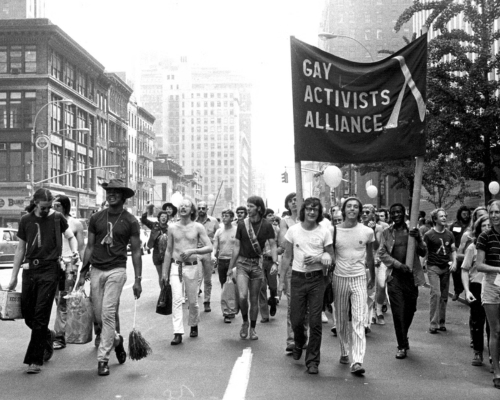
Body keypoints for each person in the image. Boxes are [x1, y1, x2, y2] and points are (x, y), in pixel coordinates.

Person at [7, 189, 79, 374]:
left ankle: (34, 360)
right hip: (30, 270)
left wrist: (74, 251)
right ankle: (48, 336)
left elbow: (71, 237)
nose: (47, 210)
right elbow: (20, 249)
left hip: (50, 270)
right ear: (35, 203)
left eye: (49, 207)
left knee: (41, 315)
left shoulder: (58, 218)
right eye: (44, 207)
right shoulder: (25, 220)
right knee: (28, 313)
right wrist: (13, 277)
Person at [76, 179, 142, 376]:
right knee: (98, 316)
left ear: (123, 196)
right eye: (109, 191)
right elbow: (89, 247)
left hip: (117, 270)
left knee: (107, 313)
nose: (111, 194)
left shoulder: (131, 221)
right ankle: (117, 340)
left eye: (115, 192)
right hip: (96, 269)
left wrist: (138, 279)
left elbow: (137, 251)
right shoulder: (96, 218)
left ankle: (103, 359)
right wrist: (82, 273)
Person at [280, 197, 333, 374]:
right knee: (296, 318)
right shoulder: (293, 230)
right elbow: (287, 256)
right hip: (297, 279)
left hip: (318, 279)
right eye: (309, 209)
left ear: (319, 213)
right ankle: (299, 341)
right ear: (304, 211)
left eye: (315, 210)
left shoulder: (324, 231)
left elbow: (331, 257)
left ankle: (312, 361)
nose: (311, 212)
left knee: (315, 321)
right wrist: (281, 281)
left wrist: (320, 257)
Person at [378, 203, 427, 359]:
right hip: (395, 277)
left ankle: (403, 335)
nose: (396, 215)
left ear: (404, 213)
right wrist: (398, 265)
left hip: (412, 278)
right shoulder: (386, 233)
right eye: (393, 213)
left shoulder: (412, 232)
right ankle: (401, 345)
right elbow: (382, 253)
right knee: (398, 313)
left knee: (410, 310)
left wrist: (418, 238)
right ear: (390, 216)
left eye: (399, 212)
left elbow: (423, 251)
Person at [333, 197, 375, 376]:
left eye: (356, 207)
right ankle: (344, 350)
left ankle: (357, 360)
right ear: (344, 210)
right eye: (349, 206)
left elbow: (371, 257)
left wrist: (371, 276)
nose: (352, 209)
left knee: (359, 319)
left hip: (359, 277)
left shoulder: (367, 231)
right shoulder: (333, 231)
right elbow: (330, 254)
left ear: (359, 211)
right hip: (339, 278)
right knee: (342, 319)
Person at [162, 199, 212, 345]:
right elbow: (168, 250)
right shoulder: (172, 227)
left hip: (192, 266)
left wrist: (193, 251)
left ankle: (193, 323)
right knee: (176, 300)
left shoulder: (198, 227)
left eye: (187, 206)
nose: (183, 207)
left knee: (193, 301)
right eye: (181, 205)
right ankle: (177, 332)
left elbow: (209, 247)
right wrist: (164, 273)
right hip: (175, 266)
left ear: (192, 210)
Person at [228, 196, 277, 341]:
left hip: (257, 265)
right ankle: (244, 321)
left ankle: (253, 328)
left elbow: (273, 244)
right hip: (242, 264)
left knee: (254, 299)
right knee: (243, 296)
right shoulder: (243, 224)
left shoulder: (267, 225)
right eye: (247, 206)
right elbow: (236, 247)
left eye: (251, 206)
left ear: (259, 208)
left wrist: (275, 263)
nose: (247, 209)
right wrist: (231, 267)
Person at [51, 195, 86, 350]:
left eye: (58, 205)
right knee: (56, 299)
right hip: (52, 264)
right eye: (53, 205)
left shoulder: (75, 224)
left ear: (65, 206)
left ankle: (60, 336)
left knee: (64, 299)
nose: (54, 207)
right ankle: (62, 330)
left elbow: (81, 247)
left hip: (69, 265)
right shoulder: (50, 221)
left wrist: (85, 268)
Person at [476, 200, 500, 389]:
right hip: (492, 284)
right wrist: (499, 269)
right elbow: (479, 265)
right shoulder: (484, 236)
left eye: (497, 212)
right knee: (496, 330)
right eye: (491, 212)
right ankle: (497, 372)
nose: (493, 215)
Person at [462, 215, 491, 367]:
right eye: (484, 226)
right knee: (477, 322)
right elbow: (465, 270)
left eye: (490, 225)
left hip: (494, 287)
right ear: (479, 229)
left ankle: (494, 355)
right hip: (477, 286)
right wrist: (467, 291)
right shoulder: (472, 248)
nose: (487, 228)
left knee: (493, 325)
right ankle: (478, 352)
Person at [424, 208, 456, 334]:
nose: (444, 218)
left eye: (445, 216)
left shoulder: (449, 234)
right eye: (441, 216)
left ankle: (441, 322)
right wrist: (422, 264)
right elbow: (424, 251)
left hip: (445, 267)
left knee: (443, 296)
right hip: (433, 267)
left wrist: (454, 262)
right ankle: (433, 323)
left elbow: (453, 250)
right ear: (435, 219)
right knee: (435, 294)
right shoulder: (429, 235)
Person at [278, 192, 303, 352]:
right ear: (288, 205)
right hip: (291, 267)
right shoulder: (285, 221)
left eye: (297, 200)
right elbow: (284, 243)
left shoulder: (310, 219)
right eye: (291, 201)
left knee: (306, 307)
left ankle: (303, 336)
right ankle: (292, 339)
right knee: (292, 306)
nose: (294, 203)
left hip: (308, 267)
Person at [212, 208, 238, 323]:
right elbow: (215, 246)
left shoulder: (237, 231)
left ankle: (232, 308)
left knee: (232, 286)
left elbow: (239, 247)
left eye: (227, 215)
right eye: (223, 215)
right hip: (222, 261)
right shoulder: (219, 231)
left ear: (232, 218)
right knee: (224, 286)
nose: (224, 218)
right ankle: (226, 311)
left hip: (234, 262)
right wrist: (213, 255)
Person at [361, 203, 384, 330]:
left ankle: (369, 319)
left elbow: (376, 246)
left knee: (371, 291)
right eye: (363, 212)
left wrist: (373, 230)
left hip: (374, 261)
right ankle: (362, 319)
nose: (364, 214)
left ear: (373, 214)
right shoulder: (357, 227)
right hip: (359, 262)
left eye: (367, 212)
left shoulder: (379, 228)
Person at [195, 200, 220, 313]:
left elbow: (217, 238)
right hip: (196, 252)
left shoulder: (214, 221)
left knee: (208, 280)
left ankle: (207, 302)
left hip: (208, 253)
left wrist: (215, 254)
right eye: (199, 208)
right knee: (197, 278)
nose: (201, 210)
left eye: (203, 208)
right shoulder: (193, 222)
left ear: (207, 209)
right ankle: (194, 301)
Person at [259, 208, 279, 323]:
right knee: (261, 286)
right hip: (261, 261)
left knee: (273, 286)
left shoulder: (277, 229)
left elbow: (282, 245)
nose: (272, 217)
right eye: (270, 215)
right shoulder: (258, 229)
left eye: (273, 215)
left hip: (272, 261)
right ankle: (264, 315)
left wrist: (276, 251)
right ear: (264, 217)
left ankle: (272, 300)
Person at [141, 207, 170, 287]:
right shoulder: (154, 225)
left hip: (166, 253)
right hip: (156, 253)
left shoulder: (170, 229)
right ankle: (163, 293)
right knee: (160, 275)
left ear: (167, 219)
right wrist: (146, 208)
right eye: (162, 216)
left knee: (166, 274)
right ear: (159, 218)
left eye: (165, 217)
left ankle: (167, 292)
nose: (163, 218)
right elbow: (143, 220)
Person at [449, 206, 471, 301]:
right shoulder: (454, 226)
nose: (466, 216)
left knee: (469, 273)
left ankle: (468, 292)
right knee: (456, 273)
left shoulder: (471, 225)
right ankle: (457, 291)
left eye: (467, 214)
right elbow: (450, 238)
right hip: (457, 253)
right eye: (463, 214)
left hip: (469, 252)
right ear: (460, 214)